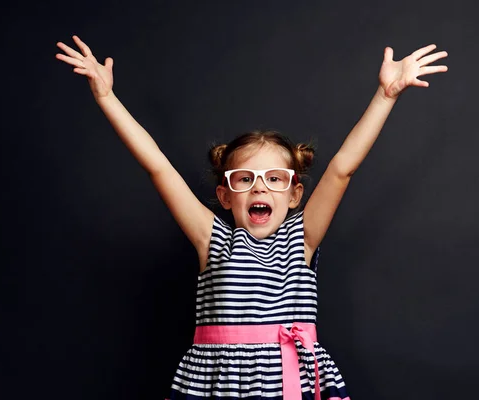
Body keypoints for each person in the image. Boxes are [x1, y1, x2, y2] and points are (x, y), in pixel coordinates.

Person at [56, 34, 448, 400]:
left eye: (274, 179)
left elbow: (342, 168)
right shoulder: (211, 238)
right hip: (216, 383)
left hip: (289, 379)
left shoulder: (303, 238)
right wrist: (107, 98)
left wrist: (385, 96)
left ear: (295, 195)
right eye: (245, 179)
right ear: (225, 197)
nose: (260, 188)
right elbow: (159, 167)